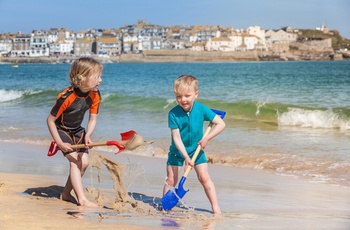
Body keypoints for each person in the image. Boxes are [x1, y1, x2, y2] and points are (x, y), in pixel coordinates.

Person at [163, 74, 226, 214]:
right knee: (171, 180)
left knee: (204, 177)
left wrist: (207, 138)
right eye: (179, 96)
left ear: (196, 94)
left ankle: (216, 207)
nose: (183, 100)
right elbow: (176, 138)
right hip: (177, 153)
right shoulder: (173, 114)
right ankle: (165, 207)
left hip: (197, 151)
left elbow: (221, 124)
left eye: (187, 95)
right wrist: (186, 157)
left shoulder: (201, 109)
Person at [47, 57, 103, 207]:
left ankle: (66, 194)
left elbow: (92, 118)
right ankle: (82, 199)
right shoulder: (66, 96)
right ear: (82, 78)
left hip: (78, 131)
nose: (101, 80)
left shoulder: (95, 95)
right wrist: (59, 143)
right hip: (61, 130)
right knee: (76, 161)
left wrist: (88, 135)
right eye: (97, 77)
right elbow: (50, 120)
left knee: (84, 163)